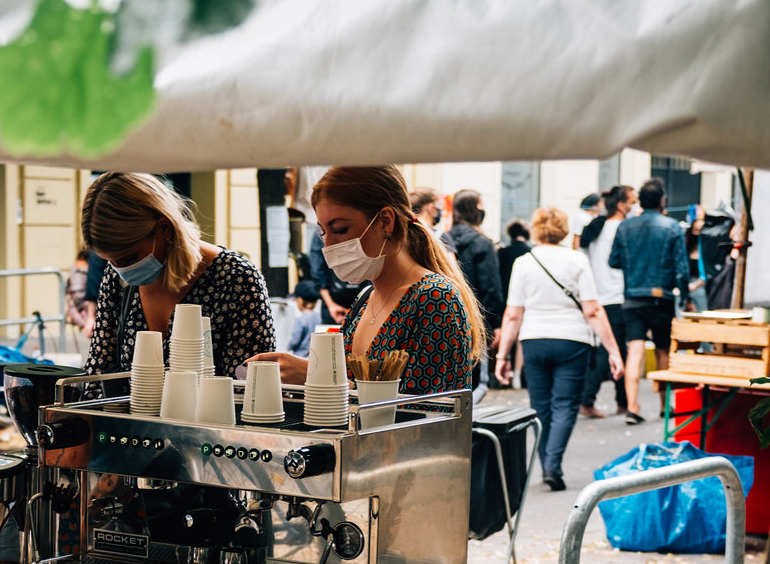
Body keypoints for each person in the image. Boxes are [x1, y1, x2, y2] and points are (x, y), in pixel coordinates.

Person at [248, 165, 484, 394]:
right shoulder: (365, 299)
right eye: (322, 232)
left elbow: (427, 411)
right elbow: (348, 384)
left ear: (385, 221)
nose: (328, 245)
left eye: (340, 229)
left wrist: (318, 376)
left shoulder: (434, 298)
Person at [82, 173, 274, 376]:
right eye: (110, 262)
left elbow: (251, 384)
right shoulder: (115, 278)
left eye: (129, 258)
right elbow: (99, 371)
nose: (121, 270)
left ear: (165, 228)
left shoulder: (237, 278)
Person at [495, 206, 623, 491]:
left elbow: (513, 315)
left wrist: (503, 356)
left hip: (534, 340)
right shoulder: (577, 260)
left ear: (536, 229)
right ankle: (553, 465)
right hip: (572, 340)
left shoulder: (525, 262)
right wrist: (613, 350)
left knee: (540, 406)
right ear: (563, 229)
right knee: (565, 404)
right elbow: (592, 310)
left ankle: (548, 466)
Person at [608, 177, 691, 424]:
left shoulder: (625, 227)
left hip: (633, 298)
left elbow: (613, 261)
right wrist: (684, 297)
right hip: (661, 298)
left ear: (641, 201)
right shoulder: (672, 227)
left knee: (635, 350)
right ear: (662, 201)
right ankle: (666, 407)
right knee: (664, 350)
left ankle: (632, 407)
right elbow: (682, 269)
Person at [577, 184, 634, 417]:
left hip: (599, 295)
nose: (635, 205)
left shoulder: (596, 227)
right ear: (622, 205)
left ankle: (624, 401)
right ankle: (587, 399)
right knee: (610, 350)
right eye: (633, 200)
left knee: (618, 348)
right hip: (619, 296)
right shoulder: (625, 228)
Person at [441, 189, 504, 353]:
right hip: (475, 322)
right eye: (480, 205)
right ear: (473, 209)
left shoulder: (443, 239)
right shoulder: (482, 243)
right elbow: (490, 286)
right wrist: (495, 324)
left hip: (445, 316)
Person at [65, 248, 95, 362]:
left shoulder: (77, 267)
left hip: (78, 308)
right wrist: (89, 317)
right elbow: (79, 294)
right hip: (84, 309)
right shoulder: (84, 268)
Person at [284, 279, 323, 358]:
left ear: (300, 300)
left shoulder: (301, 319)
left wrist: (288, 346)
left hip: (300, 357)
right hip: (314, 357)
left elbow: (295, 340)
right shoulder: (318, 317)